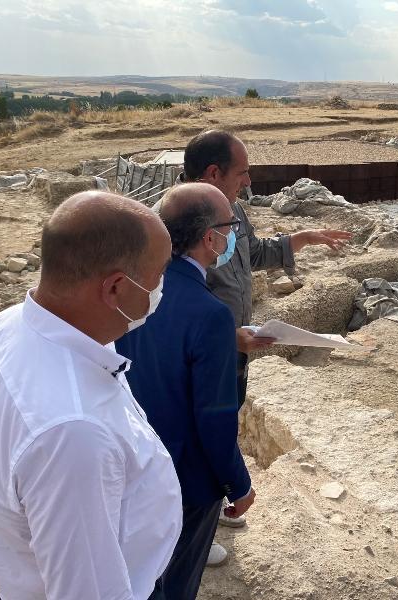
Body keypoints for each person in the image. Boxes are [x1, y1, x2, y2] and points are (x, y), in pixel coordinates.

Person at [0, 191, 181, 600]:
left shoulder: (6, 326)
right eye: (160, 273)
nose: (161, 288)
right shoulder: (73, 433)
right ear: (116, 288)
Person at [178, 130, 351, 532]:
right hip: (199, 357)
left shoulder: (233, 210)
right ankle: (190, 527)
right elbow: (168, 304)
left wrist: (299, 239)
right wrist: (225, 337)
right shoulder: (173, 220)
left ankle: (211, 508)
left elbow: (253, 253)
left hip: (235, 350)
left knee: (223, 424)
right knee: (193, 434)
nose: (249, 180)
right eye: (242, 172)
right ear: (214, 172)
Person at [116, 183, 255, 599]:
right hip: (186, 478)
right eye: (230, 227)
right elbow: (215, 418)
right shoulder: (210, 314)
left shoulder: (133, 288)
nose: (233, 236)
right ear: (210, 238)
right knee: (176, 581)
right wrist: (238, 483)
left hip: (132, 462)